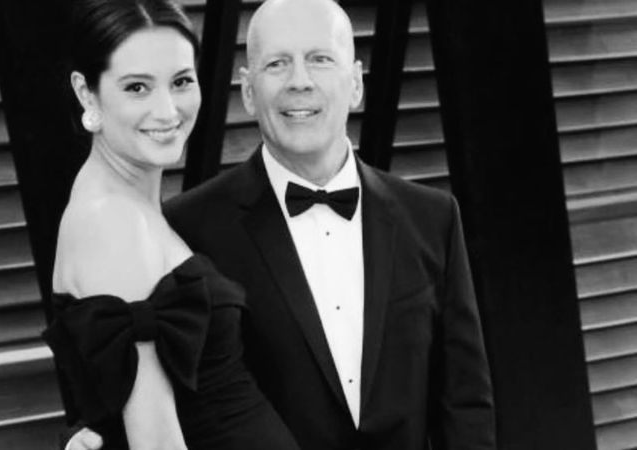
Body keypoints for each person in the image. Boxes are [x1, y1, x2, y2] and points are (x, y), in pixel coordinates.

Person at [67, 0, 496, 449]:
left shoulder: (433, 219)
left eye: (320, 59)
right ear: (248, 92)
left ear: (355, 83)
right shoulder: (183, 229)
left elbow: (466, 406)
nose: (299, 81)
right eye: (277, 64)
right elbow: (131, 381)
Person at [44, 0, 302, 449]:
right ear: (87, 94)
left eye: (181, 81)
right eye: (137, 87)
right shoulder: (113, 221)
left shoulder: (133, 208)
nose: (167, 111)